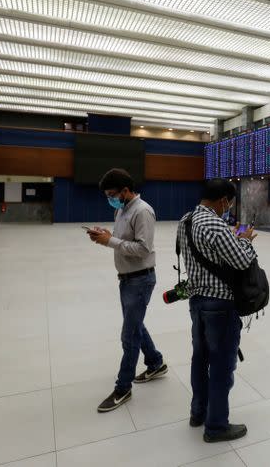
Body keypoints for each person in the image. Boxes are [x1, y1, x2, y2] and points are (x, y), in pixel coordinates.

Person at [177, 178, 257, 443]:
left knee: (200, 360)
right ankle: (217, 426)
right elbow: (242, 260)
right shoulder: (214, 223)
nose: (229, 208)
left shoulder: (185, 220)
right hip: (220, 306)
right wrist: (244, 240)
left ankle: (197, 413)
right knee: (222, 365)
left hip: (197, 303)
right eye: (229, 203)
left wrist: (230, 241)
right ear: (223, 200)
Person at [88, 168, 167, 413]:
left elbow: (144, 249)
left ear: (125, 190)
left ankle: (123, 388)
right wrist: (106, 236)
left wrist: (110, 241)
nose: (110, 198)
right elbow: (123, 241)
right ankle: (155, 363)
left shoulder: (143, 211)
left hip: (140, 280)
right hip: (126, 278)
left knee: (129, 335)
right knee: (136, 326)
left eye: (113, 194)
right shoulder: (121, 209)